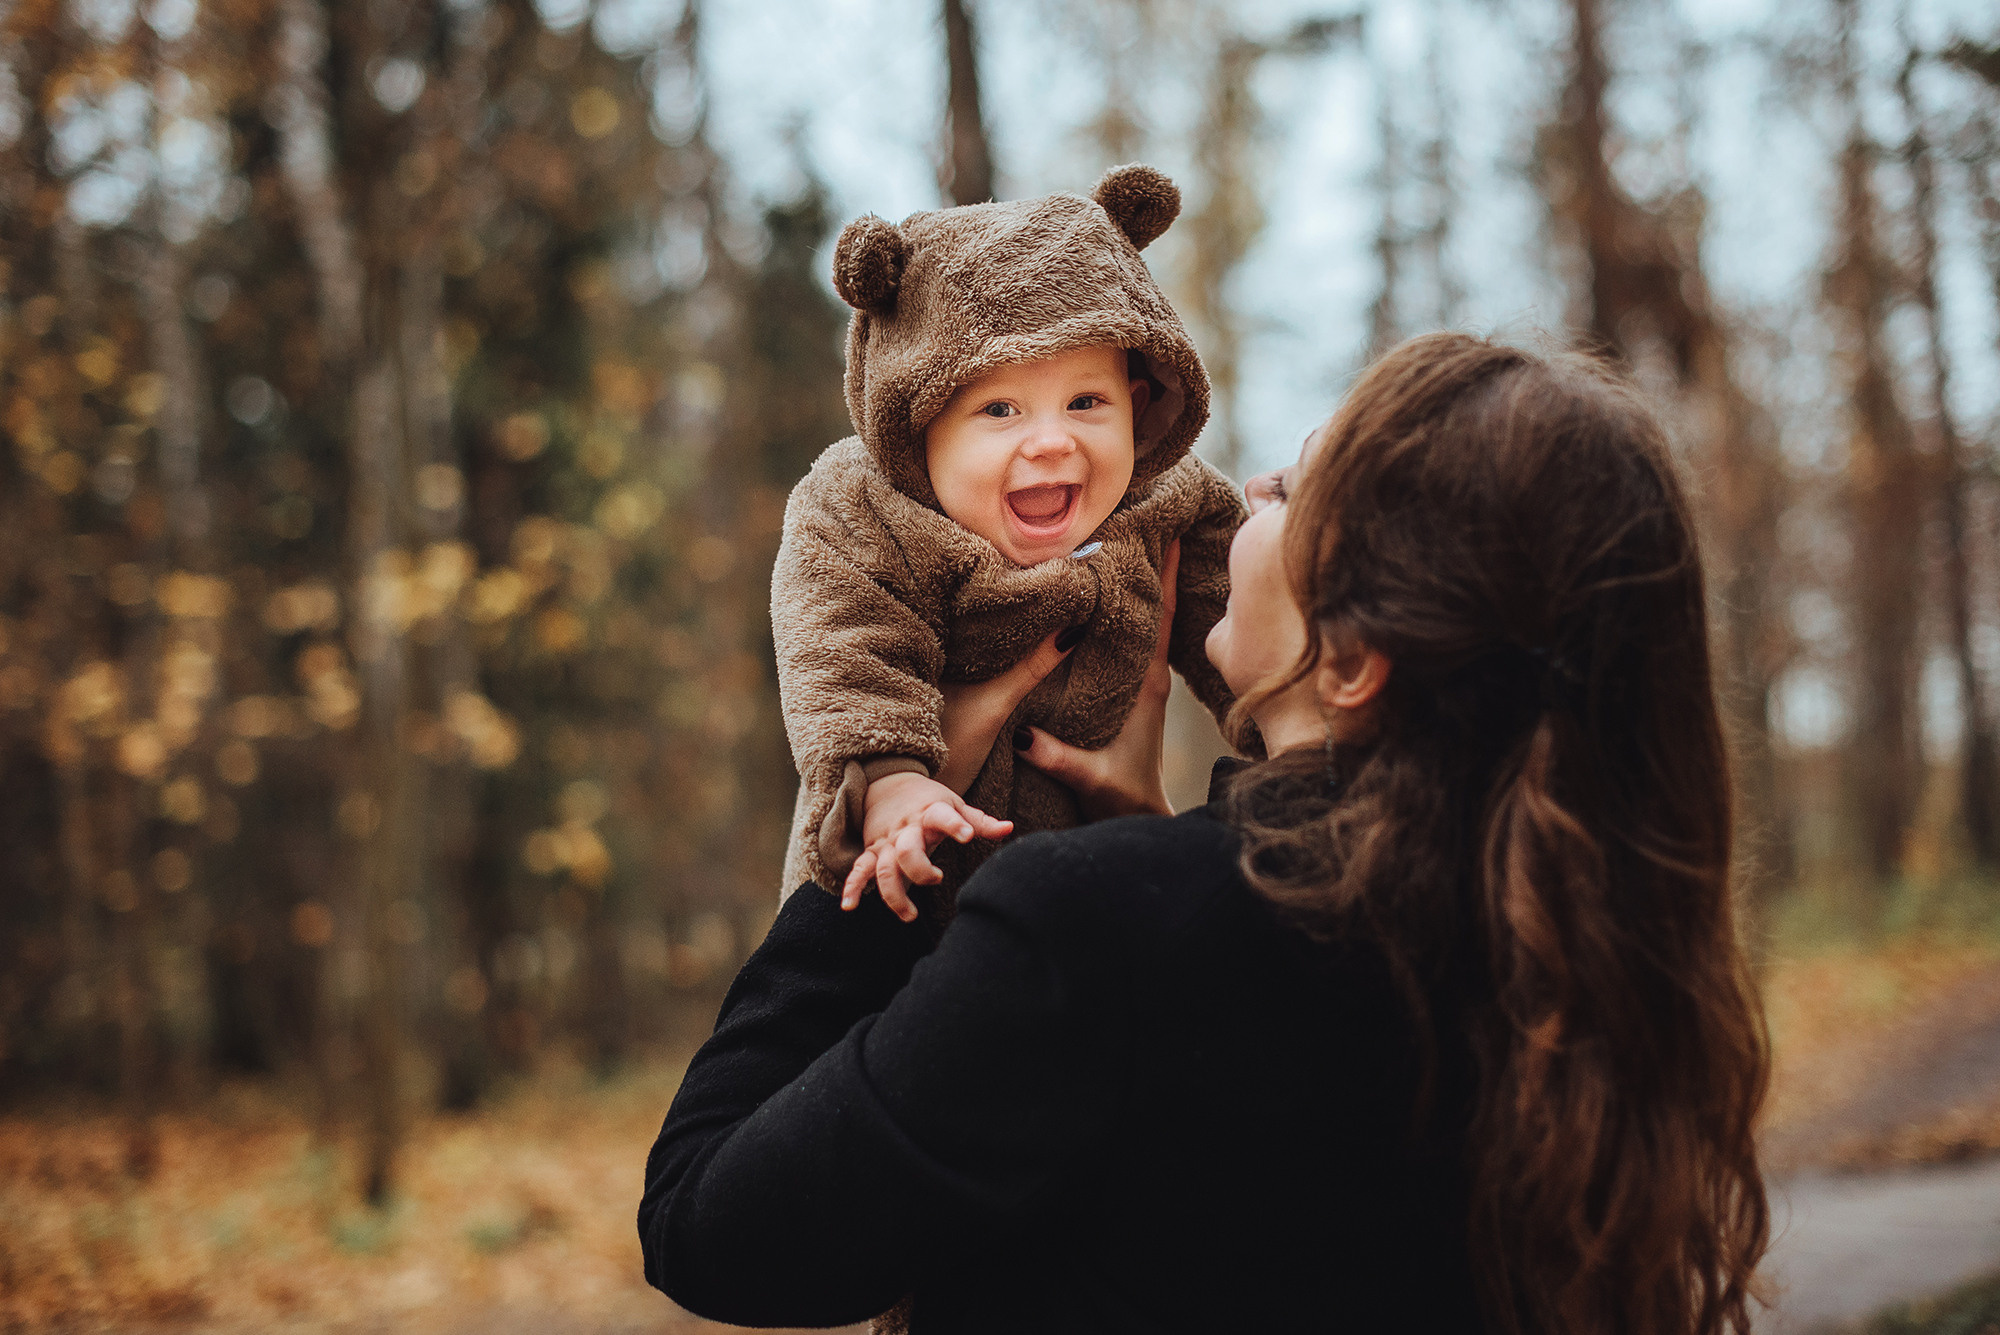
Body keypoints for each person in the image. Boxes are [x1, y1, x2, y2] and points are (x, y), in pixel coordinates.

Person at [640, 333, 1771, 1335]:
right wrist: (1177, 851)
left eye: (1293, 493)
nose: (1254, 487)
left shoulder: (1089, 933)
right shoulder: (1560, 938)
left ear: (1353, 655)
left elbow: (709, 1224)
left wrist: (883, 831)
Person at [771, 163, 1245, 921]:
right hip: (907, 893)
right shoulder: (866, 512)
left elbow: (1246, 622)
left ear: (1140, 402)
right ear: (917, 425)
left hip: (1088, 903)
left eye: (1086, 401)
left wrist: (1297, 747)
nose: (1052, 441)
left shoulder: (1169, 501)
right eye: (1000, 410)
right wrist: (890, 782)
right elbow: (841, 644)